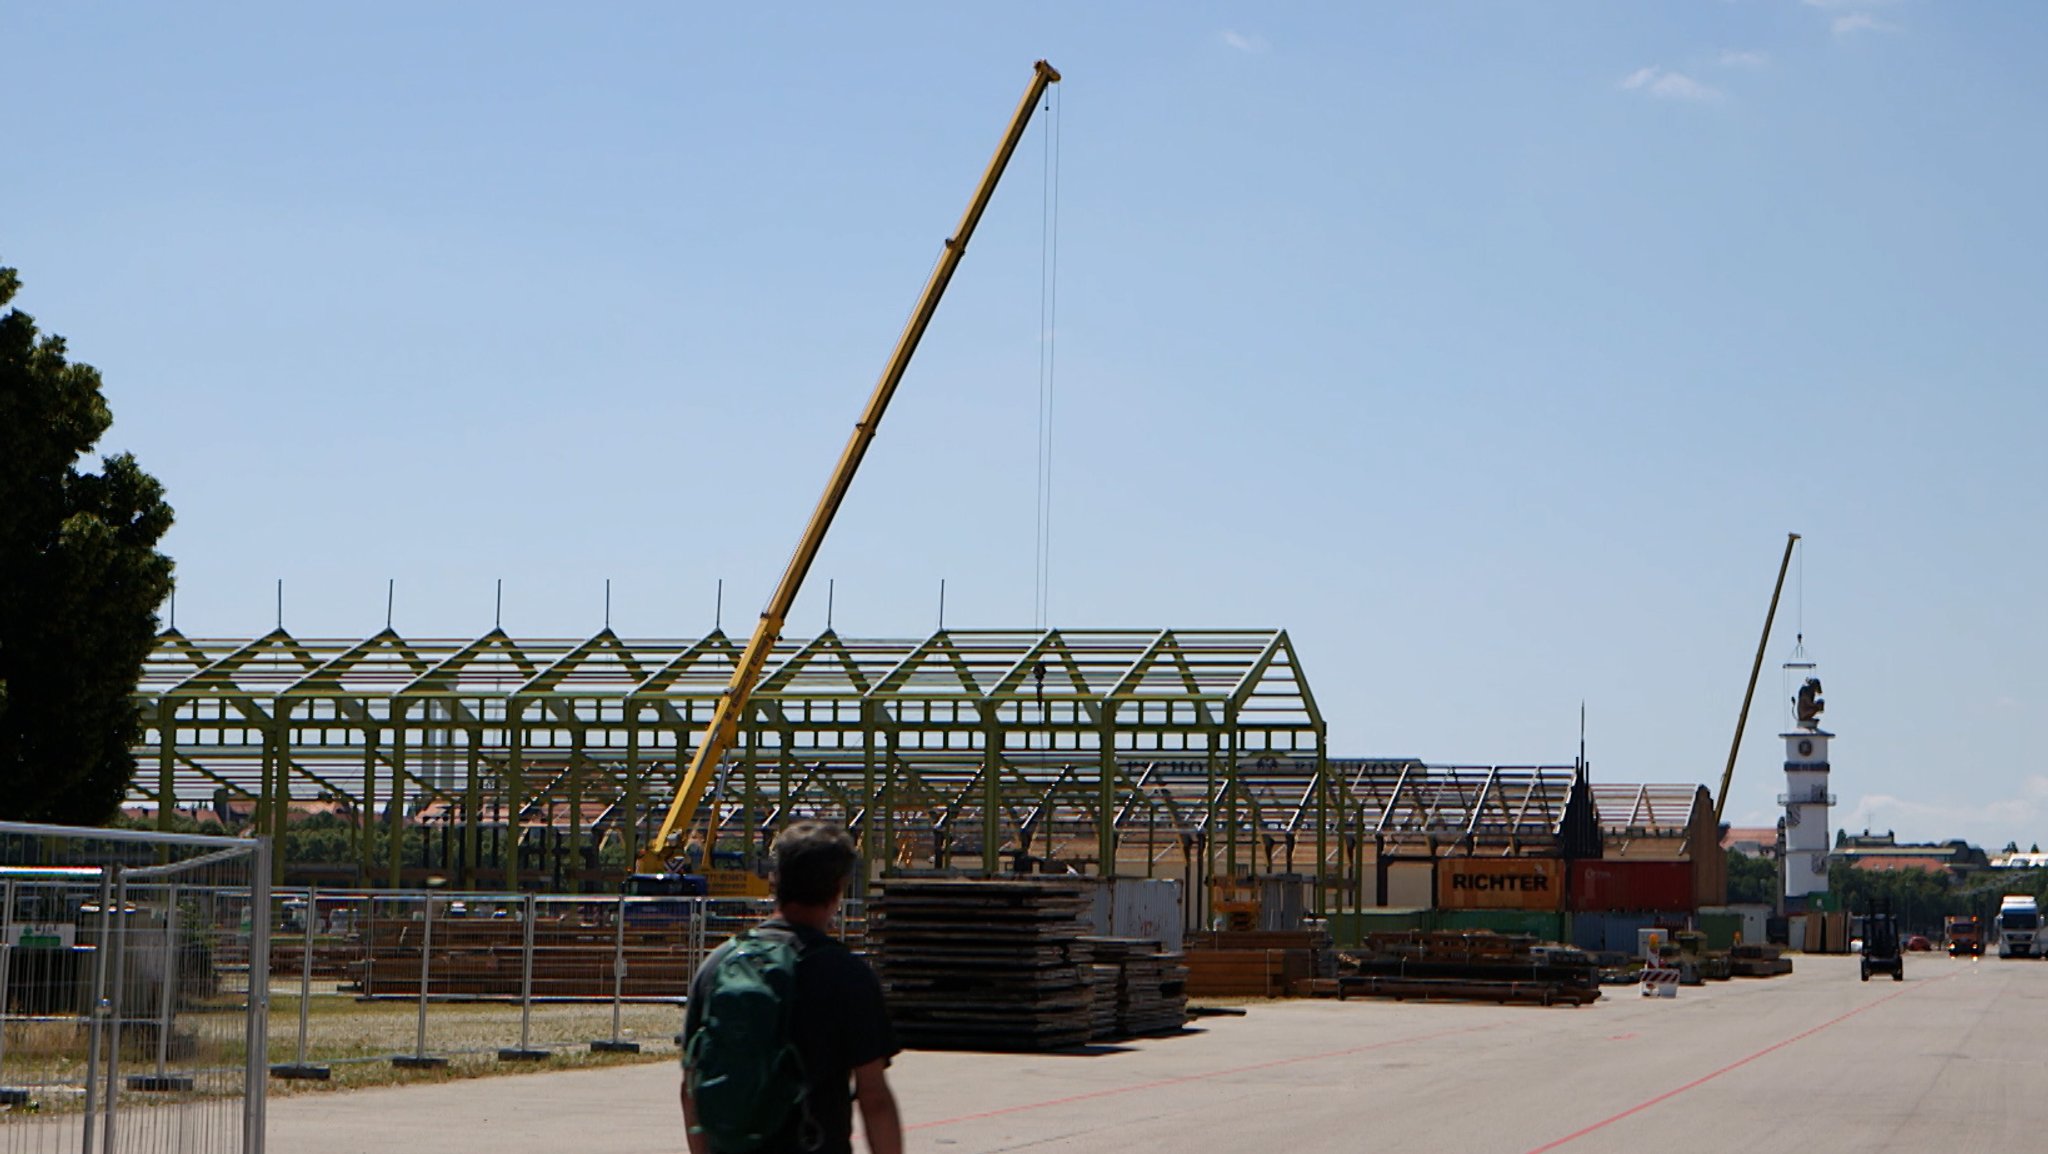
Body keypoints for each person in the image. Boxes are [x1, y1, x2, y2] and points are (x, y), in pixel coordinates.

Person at [681, 821, 902, 1154]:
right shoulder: (847, 974)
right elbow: (874, 1098)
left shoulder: (720, 964)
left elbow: (691, 1090)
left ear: (775, 880)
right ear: (839, 887)